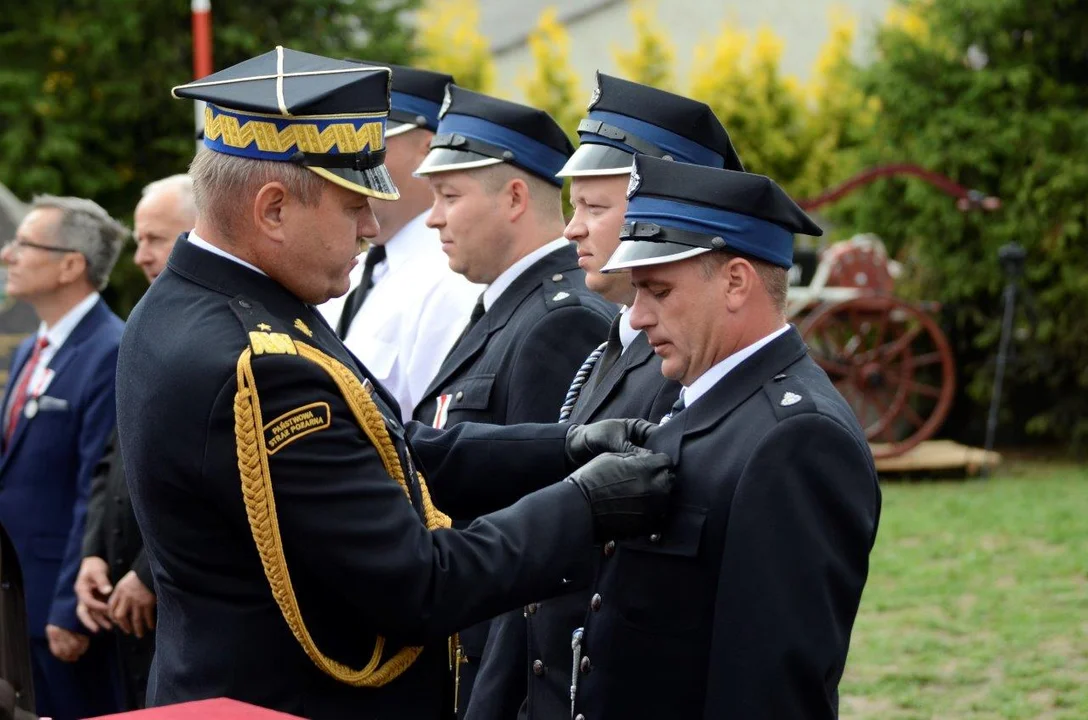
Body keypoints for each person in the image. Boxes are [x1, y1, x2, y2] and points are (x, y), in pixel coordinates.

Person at [116, 47, 673, 719]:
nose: (371, 230)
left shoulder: (195, 305)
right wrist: (583, 506)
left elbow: (386, 450)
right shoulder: (258, 362)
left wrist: (563, 448)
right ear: (271, 210)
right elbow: (420, 584)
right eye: (353, 205)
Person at [559, 154, 882, 719]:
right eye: (635, 291)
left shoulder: (796, 440)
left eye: (657, 290)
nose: (635, 318)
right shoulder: (697, 401)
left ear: (736, 282)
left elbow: (769, 691)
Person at [467, 72, 746, 720]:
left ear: (664, 210)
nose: (570, 230)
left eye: (594, 207)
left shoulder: (685, 368)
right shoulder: (616, 347)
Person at [409, 84, 616, 714]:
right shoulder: (507, 308)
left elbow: (543, 534)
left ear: (517, 198)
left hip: (491, 661)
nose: (433, 217)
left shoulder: (559, 320)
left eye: (449, 196)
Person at [0, 195, 126, 720]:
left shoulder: (110, 349)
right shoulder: (33, 347)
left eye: (24, 244)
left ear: (71, 265)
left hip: (60, 607)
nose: (8, 255)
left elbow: (94, 488)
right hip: (14, 602)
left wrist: (68, 611)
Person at [74, 174, 196, 710]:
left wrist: (148, 572)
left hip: (175, 597)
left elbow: (206, 470)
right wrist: (92, 555)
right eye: (139, 239)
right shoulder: (148, 323)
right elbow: (112, 458)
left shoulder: (208, 331)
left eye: (154, 239)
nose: (139, 256)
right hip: (122, 597)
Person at [316, 64, 481, 420]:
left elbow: (437, 436)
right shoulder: (354, 270)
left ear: (427, 149)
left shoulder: (454, 276)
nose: (349, 162)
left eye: (369, 146)